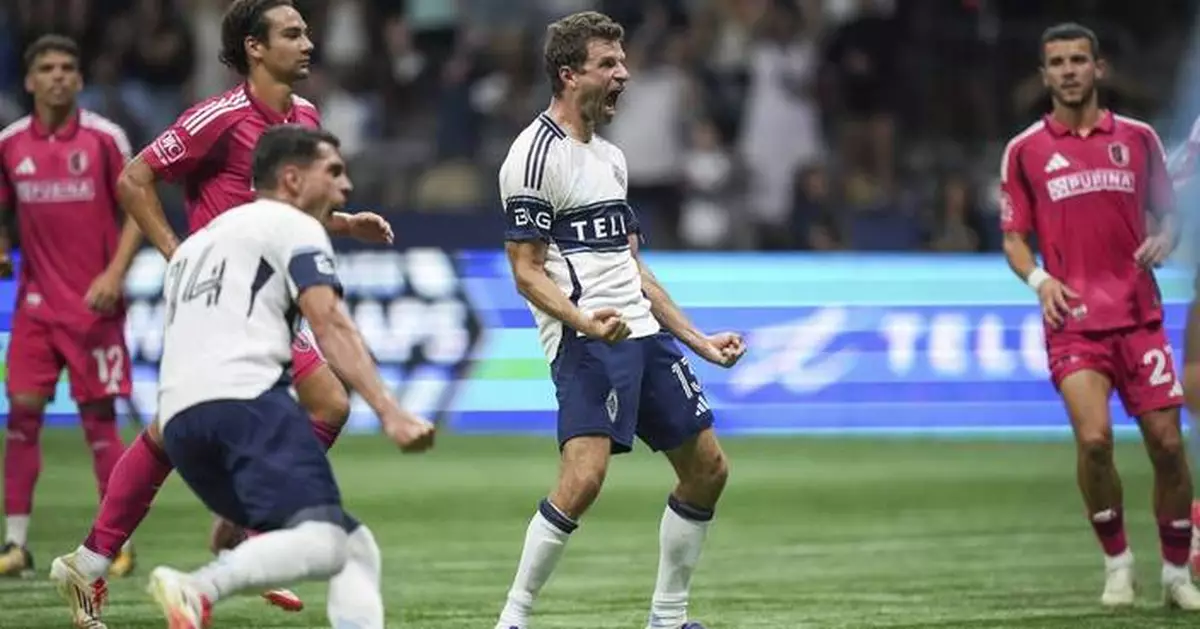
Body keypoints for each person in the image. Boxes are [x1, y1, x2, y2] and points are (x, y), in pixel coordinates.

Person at [49, 0, 393, 624]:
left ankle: (94, 561)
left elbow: (292, 207)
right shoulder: (220, 117)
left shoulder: (306, 116)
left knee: (176, 430)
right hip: (221, 301)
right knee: (314, 406)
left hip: (268, 302)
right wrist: (176, 254)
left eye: (307, 30)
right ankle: (256, 539)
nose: (309, 42)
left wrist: (343, 221)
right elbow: (134, 179)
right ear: (255, 49)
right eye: (293, 33)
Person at [493, 12, 744, 629]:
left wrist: (699, 341)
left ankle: (667, 617)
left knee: (708, 469)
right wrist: (583, 319)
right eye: (609, 64)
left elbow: (635, 269)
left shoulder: (610, 157)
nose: (623, 74)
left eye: (622, 62)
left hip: (643, 336)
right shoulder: (533, 156)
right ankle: (514, 617)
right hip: (585, 339)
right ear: (568, 73)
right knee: (583, 479)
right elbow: (525, 271)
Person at [144, 123, 434, 629]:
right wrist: (390, 411)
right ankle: (198, 589)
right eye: (335, 172)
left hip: (182, 424)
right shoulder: (294, 226)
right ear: (293, 179)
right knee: (325, 542)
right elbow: (330, 321)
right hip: (247, 404)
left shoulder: (198, 244)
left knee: (352, 545)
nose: (346, 187)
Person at [1000, 22, 1200, 608]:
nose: (1068, 70)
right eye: (1057, 61)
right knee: (1094, 442)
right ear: (1044, 75)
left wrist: (1167, 236)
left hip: (1139, 318)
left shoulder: (1139, 140)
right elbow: (1013, 236)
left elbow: (1170, 210)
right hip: (1075, 322)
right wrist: (1039, 279)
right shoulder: (1025, 150)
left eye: (1078, 59)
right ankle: (1117, 564)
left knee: (1167, 445)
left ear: (1098, 68)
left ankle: (1174, 576)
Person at [0, 34, 141, 578]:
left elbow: (138, 209)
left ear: (79, 80)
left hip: (94, 307)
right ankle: (15, 544)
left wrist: (114, 273)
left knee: (100, 424)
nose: (58, 76)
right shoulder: (10, 144)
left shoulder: (106, 140)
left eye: (67, 67)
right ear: (30, 80)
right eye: (47, 68)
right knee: (21, 416)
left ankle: (114, 544)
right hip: (35, 308)